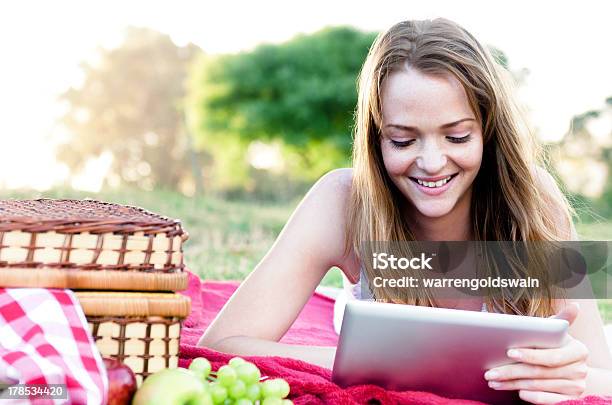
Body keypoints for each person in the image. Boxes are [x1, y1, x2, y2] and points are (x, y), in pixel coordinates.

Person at [199, 18, 612, 402]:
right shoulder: (343, 200)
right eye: (402, 141)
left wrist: (564, 373)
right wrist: (383, 363)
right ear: (376, 141)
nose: (432, 163)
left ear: (488, 131)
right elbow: (222, 345)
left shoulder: (531, 203)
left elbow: (601, 374)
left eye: (457, 136)